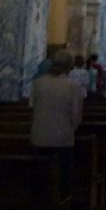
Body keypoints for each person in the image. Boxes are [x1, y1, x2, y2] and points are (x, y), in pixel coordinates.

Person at [30, 50, 83, 198]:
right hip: (62, 139)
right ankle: (62, 209)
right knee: (62, 179)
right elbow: (76, 117)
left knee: (40, 180)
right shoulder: (73, 86)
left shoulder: (37, 83)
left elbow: (32, 107)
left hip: (39, 137)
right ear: (69, 66)